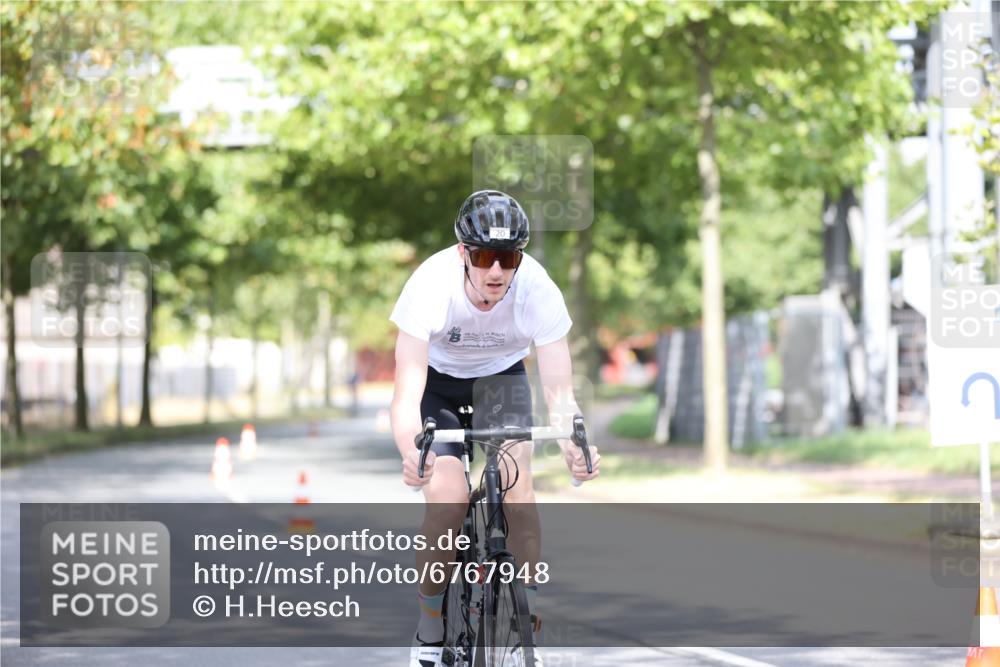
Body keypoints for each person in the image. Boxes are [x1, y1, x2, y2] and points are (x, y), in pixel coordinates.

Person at [389, 190, 600, 667]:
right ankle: (429, 625)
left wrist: (572, 445)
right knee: (448, 502)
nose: (496, 272)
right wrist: (412, 452)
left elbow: (560, 395)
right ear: (464, 254)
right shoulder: (430, 286)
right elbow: (405, 394)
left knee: (520, 491)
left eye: (507, 258)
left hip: (501, 381)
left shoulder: (539, 290)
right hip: (438, 386)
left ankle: (527, 621)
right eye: (484, 257)